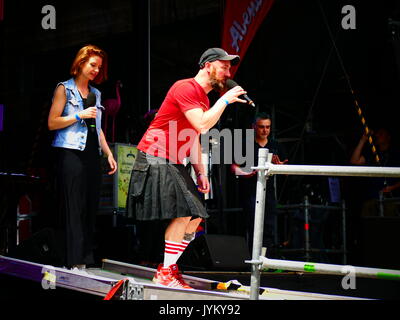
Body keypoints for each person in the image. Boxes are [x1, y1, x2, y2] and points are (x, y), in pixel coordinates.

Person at [127, 48, 247, 289]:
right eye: (224, 66)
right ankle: (166, 273)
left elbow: (193, 137)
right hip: (155, 155)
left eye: (230, 68)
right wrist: (225, 100)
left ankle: (167, 270)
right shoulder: (185, 87)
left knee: (196, 217)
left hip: (173, 159)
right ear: (207, 66)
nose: (228, 72)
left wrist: (201, 172)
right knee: (185, 212)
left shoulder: (203, 99)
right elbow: (202, 125)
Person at [48, 44, 117, 269]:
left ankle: (86, 259)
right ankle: (73, 260)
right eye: (93, 65)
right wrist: (78, 114)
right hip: (70, 152)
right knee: (74, 206)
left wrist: (108, 153)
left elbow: (98, 128)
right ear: (80, 64)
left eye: (99, 67)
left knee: (90, 206)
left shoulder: (96, 93)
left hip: (91, 154)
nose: (96, 70)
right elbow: (52, 122)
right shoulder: (64, 89)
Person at [231, 112, 288, 252]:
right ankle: (252, 258)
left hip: (269, 192)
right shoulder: (245, 144)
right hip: (249, 192)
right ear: (254, 127)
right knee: (252, 225)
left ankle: (267, 259)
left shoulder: (276, 145)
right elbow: (233, 167)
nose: (265, 130)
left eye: (268, 127)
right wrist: (246, 173)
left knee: (269, 226)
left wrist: (279, 167)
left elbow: (286, 169)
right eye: (262, 127)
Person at [350, 127, 400, 217]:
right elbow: (354, 161)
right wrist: (362, 140)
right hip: (372, 199)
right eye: (377, 134)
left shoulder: (396, 154)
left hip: (392, 199)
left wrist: (392, 187)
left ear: (388, 137)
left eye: (381, 134)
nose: (377, 135)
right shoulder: (372, 153)